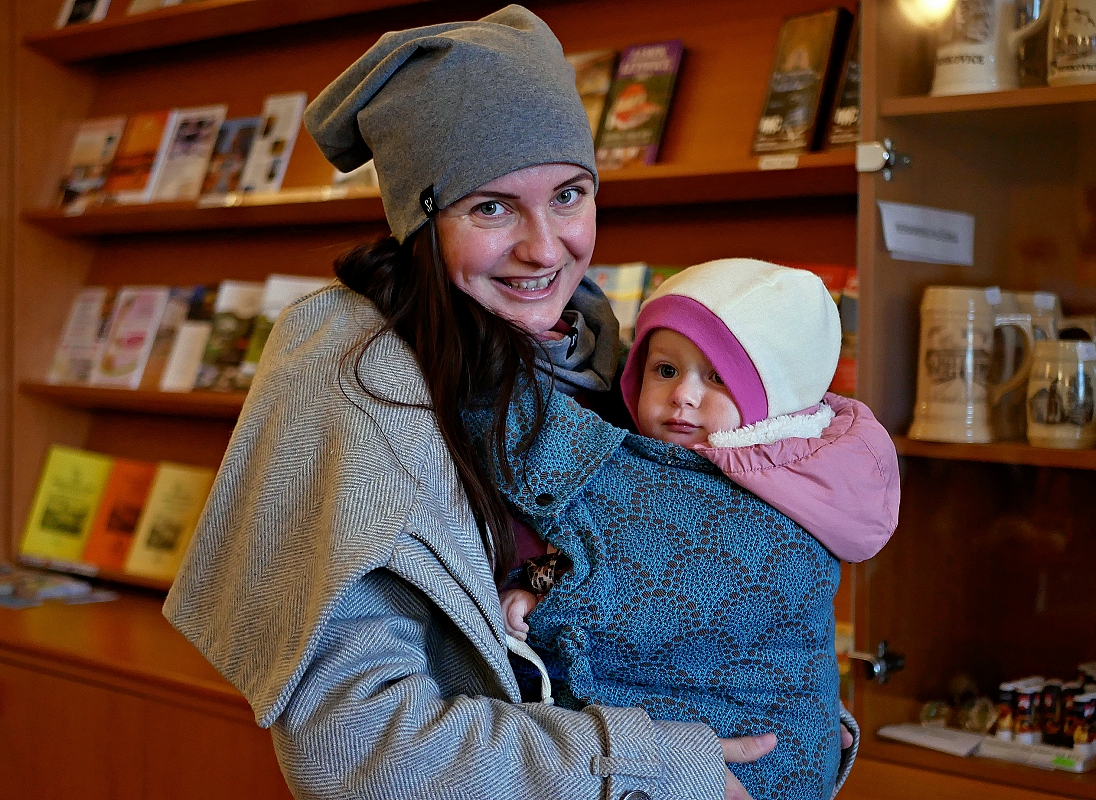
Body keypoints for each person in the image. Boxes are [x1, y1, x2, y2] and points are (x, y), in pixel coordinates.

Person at [162, 6, 854, 799]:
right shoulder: (361, 380)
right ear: (421, 223)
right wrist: (653, 764)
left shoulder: (596, 348)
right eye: (491, 207)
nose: (544, 247)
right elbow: (350, 745)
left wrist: (777, 705)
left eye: (569, 195)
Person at [484, 259, 900, 800]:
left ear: (772, 399)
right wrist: (537, 582)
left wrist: (548, 605)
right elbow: (612, 553)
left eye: (718, 377)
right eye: (665, 370)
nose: (683, 395)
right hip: (695, 756)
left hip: (752, 756)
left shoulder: (771, 505)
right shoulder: (670, 464)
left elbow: (659, 595)